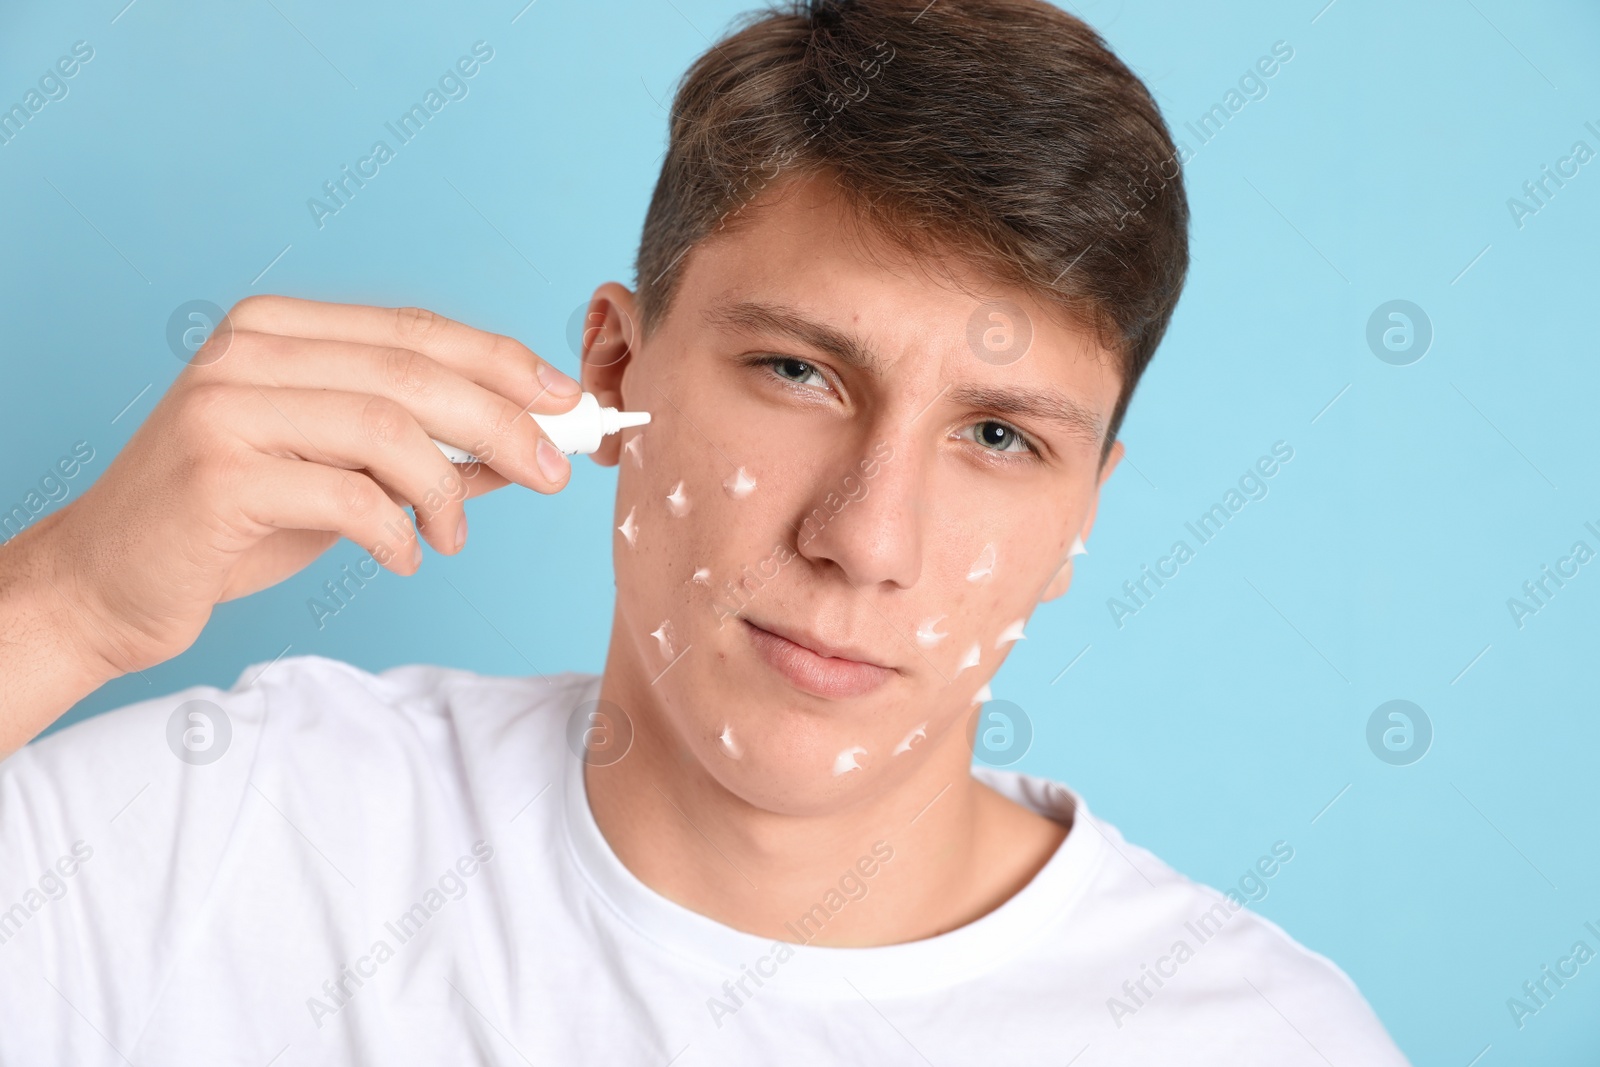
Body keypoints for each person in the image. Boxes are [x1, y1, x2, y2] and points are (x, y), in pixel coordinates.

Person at [0, 0, 1408, 1062]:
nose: (866, 538)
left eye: (998, 437)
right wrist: (65, 607)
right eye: (800, 372)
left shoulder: (1252, 1037)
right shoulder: (225, 832)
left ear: (1083, 510)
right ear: (615, 373)